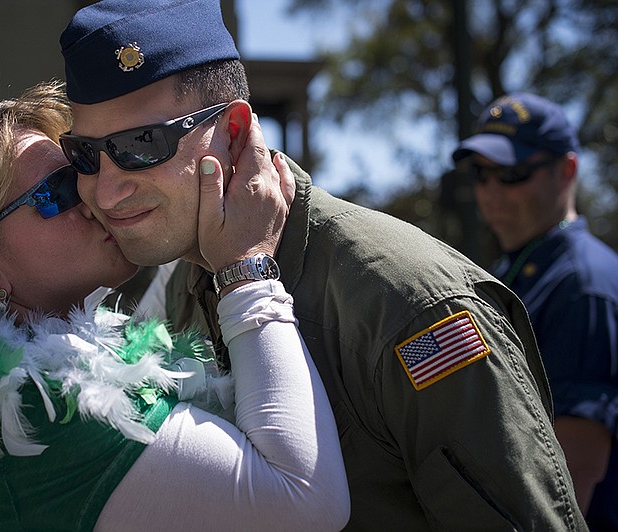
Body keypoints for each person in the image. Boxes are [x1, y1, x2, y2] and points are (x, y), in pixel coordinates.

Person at [58, 1, 588, 529]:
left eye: (142, 145)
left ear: (235, 130)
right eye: (85, 153)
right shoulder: (183, 283)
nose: (107, 189)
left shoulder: (407, 303)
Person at [0, 80, 350, 531]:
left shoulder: (11, 392)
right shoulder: (40, 406)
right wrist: (246, 265)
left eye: (81, 166)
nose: (96, 194)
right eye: (60, 188)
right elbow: (307, 503)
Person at [453, 92, 618, 530]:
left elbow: (574, 476)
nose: (491, 191)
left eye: (513, 174)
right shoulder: (512, 270)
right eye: (481, 174)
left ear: (566, 171)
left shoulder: (583, 286)